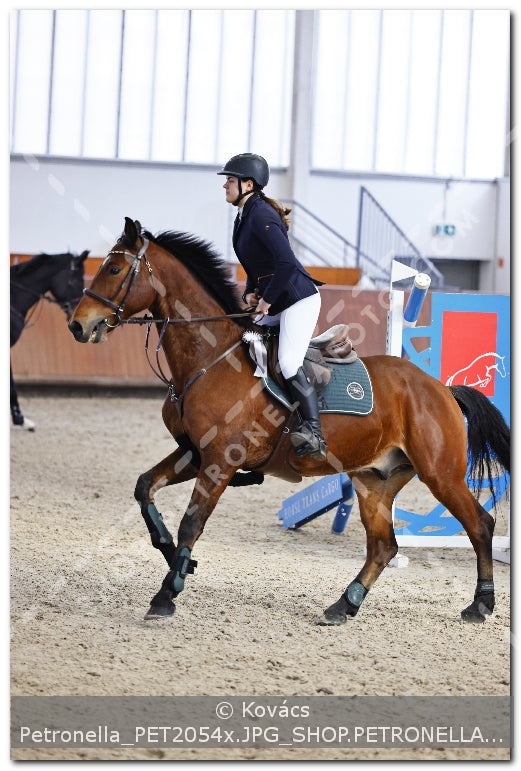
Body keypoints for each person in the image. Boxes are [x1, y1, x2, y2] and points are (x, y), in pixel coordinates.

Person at [217, 152, 327, 461]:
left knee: (289, 362)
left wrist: (265, 301)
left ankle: (315, 432)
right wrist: (251, 293)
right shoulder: (244, 215)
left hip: (297, 301)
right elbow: (256, 264)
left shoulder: (262, 215)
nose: (225, 185)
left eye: (230, 180)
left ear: (247, 184)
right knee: (244, 340)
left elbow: (287, 264)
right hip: (275, 300)